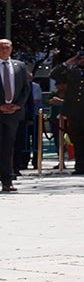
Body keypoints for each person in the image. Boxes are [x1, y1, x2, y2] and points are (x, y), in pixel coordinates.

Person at [0, 38, 29, 193]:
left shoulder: (19, 66)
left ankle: (7, 180)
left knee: (7, 148)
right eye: (2, 47)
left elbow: (26, 89)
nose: (5, 50)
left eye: (7, 47)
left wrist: (18, 105)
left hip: (13, 114)